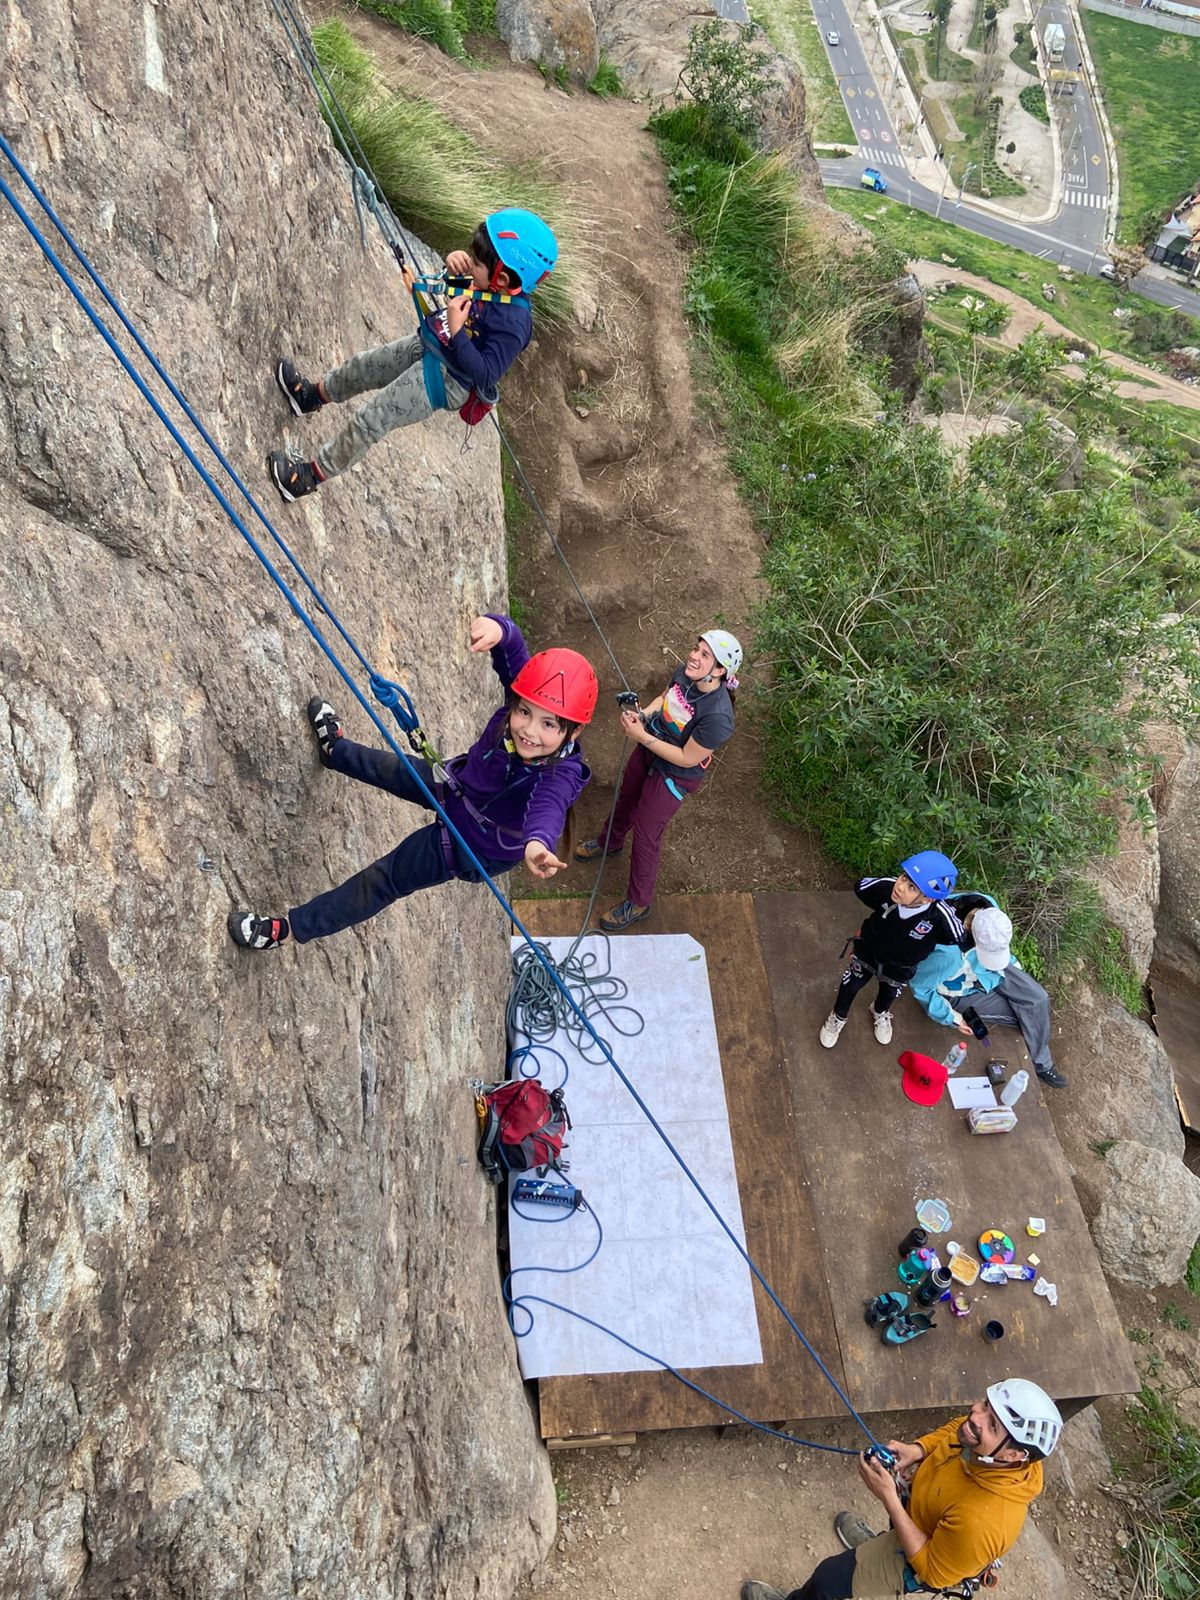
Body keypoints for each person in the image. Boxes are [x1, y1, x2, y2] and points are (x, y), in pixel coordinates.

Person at [227, 614, 594, 950]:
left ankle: (287, 930)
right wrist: (500, 631)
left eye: (549, 724)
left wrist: (536, 846)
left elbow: (548, 806)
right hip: (455, 785)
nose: (529, 730)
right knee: (392, 769)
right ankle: (335, 752)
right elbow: (513, 652)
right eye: (524, 711)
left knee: (383, 879)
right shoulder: (522, 696)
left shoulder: (561, 773)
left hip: (471, 844)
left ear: (573, 732)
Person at [266, 209, 557, 500]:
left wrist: (457, 332)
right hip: (432, 342)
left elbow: (486, 373)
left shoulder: (514, 325)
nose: (472, 263)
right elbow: (464, 288)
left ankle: (307, 478)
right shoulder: (490, 283)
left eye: (477, 262)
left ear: (502, 279)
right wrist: (455, 266)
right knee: (363, 367)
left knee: (372, 418)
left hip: (444, 381)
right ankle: (310, 397)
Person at [742, 1378, 1063, 1600]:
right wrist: (917, 1450)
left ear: (1013, 1455)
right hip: (924, 1510)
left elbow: (933, 1573)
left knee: (828, 1579)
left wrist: (890, 1500)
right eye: (983, 1405)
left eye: (992, 1424)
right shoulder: (988, 1446)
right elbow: (957, 1430)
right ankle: (884, 1541)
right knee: (894, 1530)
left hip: (926, 1556)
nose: (975, 1416)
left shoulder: (986, 1521)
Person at [575, 630, 741, 932]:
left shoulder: (718, 717)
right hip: (651, 746)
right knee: (626, 798)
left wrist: (642, 737)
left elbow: (687, 758)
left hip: (673, 773)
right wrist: (643, 714)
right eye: (696, 648)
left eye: (705, 655)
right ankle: (609, 843)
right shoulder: (687, 674)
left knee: (646, 834)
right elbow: (666, 699)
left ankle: (639, 902)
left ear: (719, 671)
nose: (694, 656)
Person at [910, 893, 1068, 1089]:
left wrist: (1005, 963)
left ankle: (1042, 1061)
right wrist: (952, 1018)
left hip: (988, 969)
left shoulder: (986, 907)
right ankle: (1041, 1064)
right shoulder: (948, 954)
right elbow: (921, 986)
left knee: (1038, 998)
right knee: (1023, 1019)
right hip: (959, 987)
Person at [820, 853, 964, 1049]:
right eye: (904, 877)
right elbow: (861, 887)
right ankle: (838, 1016)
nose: (900, 886)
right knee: (851, 984)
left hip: (901, 966)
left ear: (928, 899)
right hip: (868, 950)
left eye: (912, 887)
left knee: (889, 993)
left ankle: (879, 1012)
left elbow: (958, 936)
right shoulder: (886, 888)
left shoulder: (939, 917)